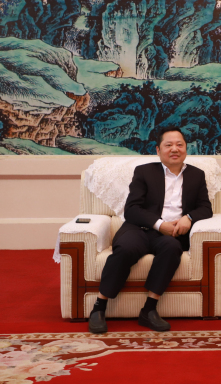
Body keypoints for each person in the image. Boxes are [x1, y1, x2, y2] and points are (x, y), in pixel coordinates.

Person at [88, 128, 213, 334]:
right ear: (158, 150)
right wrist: (159, 224)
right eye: (168, 145)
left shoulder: (196, 175)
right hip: (139, 229)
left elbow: (205, 208)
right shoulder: (144, 172)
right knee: (126, 249)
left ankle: (149, 310)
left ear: (186, 148)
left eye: (179, 144)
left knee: (172, 249)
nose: (174, 149)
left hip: (172, 235)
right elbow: (131, 209)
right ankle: (99, 307)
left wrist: (188, 218)